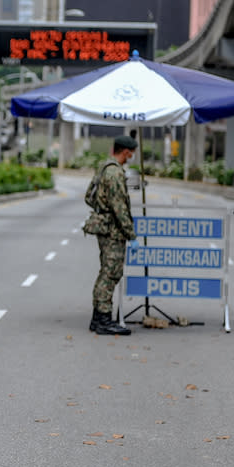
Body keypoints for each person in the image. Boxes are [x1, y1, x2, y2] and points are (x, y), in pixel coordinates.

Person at [84, 134, 140, 336]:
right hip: (112, 232)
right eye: (132, 152)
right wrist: (131, 234)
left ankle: (98, 318)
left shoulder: (104, 168)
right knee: (110, 274)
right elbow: (120, 209)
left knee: (106, 271)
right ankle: (103, 320)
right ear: (126, 152)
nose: (132, 155)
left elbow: (88, 197)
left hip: (104, 228)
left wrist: (102, 209)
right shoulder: (115, 173)